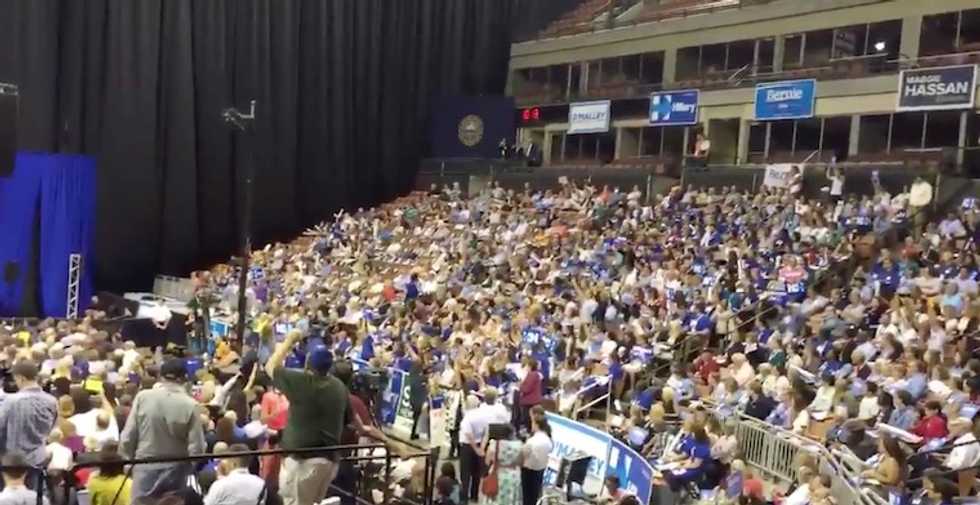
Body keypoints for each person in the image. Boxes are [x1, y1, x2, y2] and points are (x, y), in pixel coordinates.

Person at [265, 330, 350, 505]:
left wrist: (289, 340)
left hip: (306, 462)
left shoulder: (302, 382)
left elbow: (270, 367)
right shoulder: (338, 386)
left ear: (307, 364)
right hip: (329, 462)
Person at [119, 358, 206, 505]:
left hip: (144, 467)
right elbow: (197, 447)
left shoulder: (143, 397)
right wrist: (188, 467)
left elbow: (128, 436)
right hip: (176, 470)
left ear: (161, 376)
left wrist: (128, 463)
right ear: (184, 378)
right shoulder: (190, 405)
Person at [0, 360, 59, 476]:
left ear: (21, 378)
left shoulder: (11, 402)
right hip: (39, 460)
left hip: (13, 465)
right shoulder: (52, 401)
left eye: (15, 379)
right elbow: (52, 430)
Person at [458, 390, 510, 503]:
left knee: (465, 473)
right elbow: (487, 431)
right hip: (480, 443)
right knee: (476, 473)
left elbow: (468, 433)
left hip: (467, 445)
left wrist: (476, 448)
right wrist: (481, 447)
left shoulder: (468, 416)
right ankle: (474, 495)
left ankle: (464, 499)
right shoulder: (484, 414)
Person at [480, 424, 523, 505]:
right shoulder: (519, 445)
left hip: (498, 475)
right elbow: (521, 461)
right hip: (513, 476)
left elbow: (487, 461)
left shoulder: (495, 444)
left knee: (496, 498)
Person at [521, 406, 552, 505]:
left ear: (536, 425)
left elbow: (522, 455)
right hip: (540, 470)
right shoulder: (548, 439)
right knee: (533, 497)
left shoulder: (532, 441)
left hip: (528, 471)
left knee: (526, 497)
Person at [517, 358, 543, 434]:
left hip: (530, 402)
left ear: (530, 366)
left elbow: (526, 389)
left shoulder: (532, 375)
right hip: (532, 401)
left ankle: (531, 434)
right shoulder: (535, 375)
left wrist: (520, 386)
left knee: (529, 420)